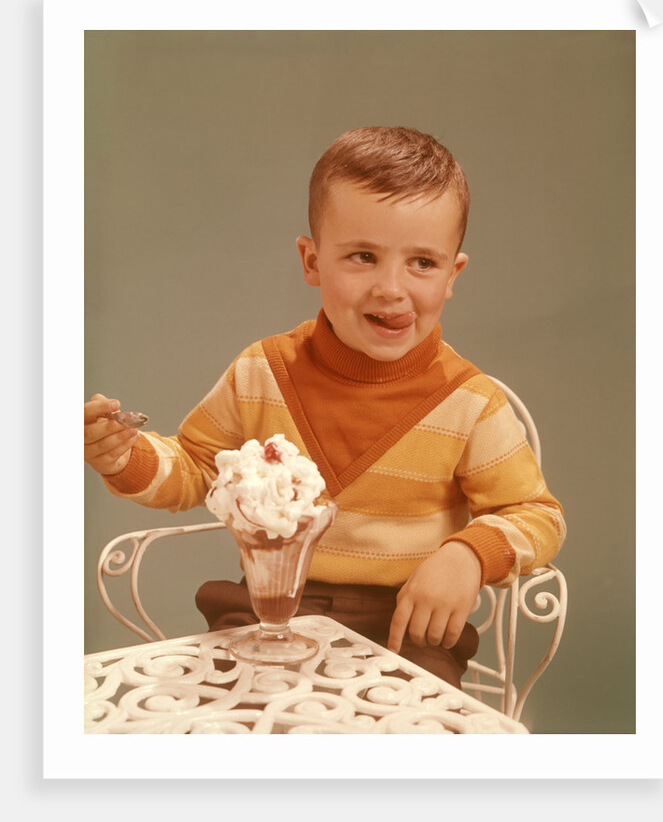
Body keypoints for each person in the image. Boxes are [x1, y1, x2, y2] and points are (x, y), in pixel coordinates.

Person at [84, 126, 566, 687]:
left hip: (406, 626)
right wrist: (124, 456)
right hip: (270, 609)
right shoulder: (262, 373)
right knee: (227, 718)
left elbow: (538, 515)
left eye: (422, 263)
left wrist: (468, 556)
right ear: (312, 262)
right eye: (363, 256)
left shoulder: (470, 404)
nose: (391, 287)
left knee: (413, 739)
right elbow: (195, 470)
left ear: (452, 275)